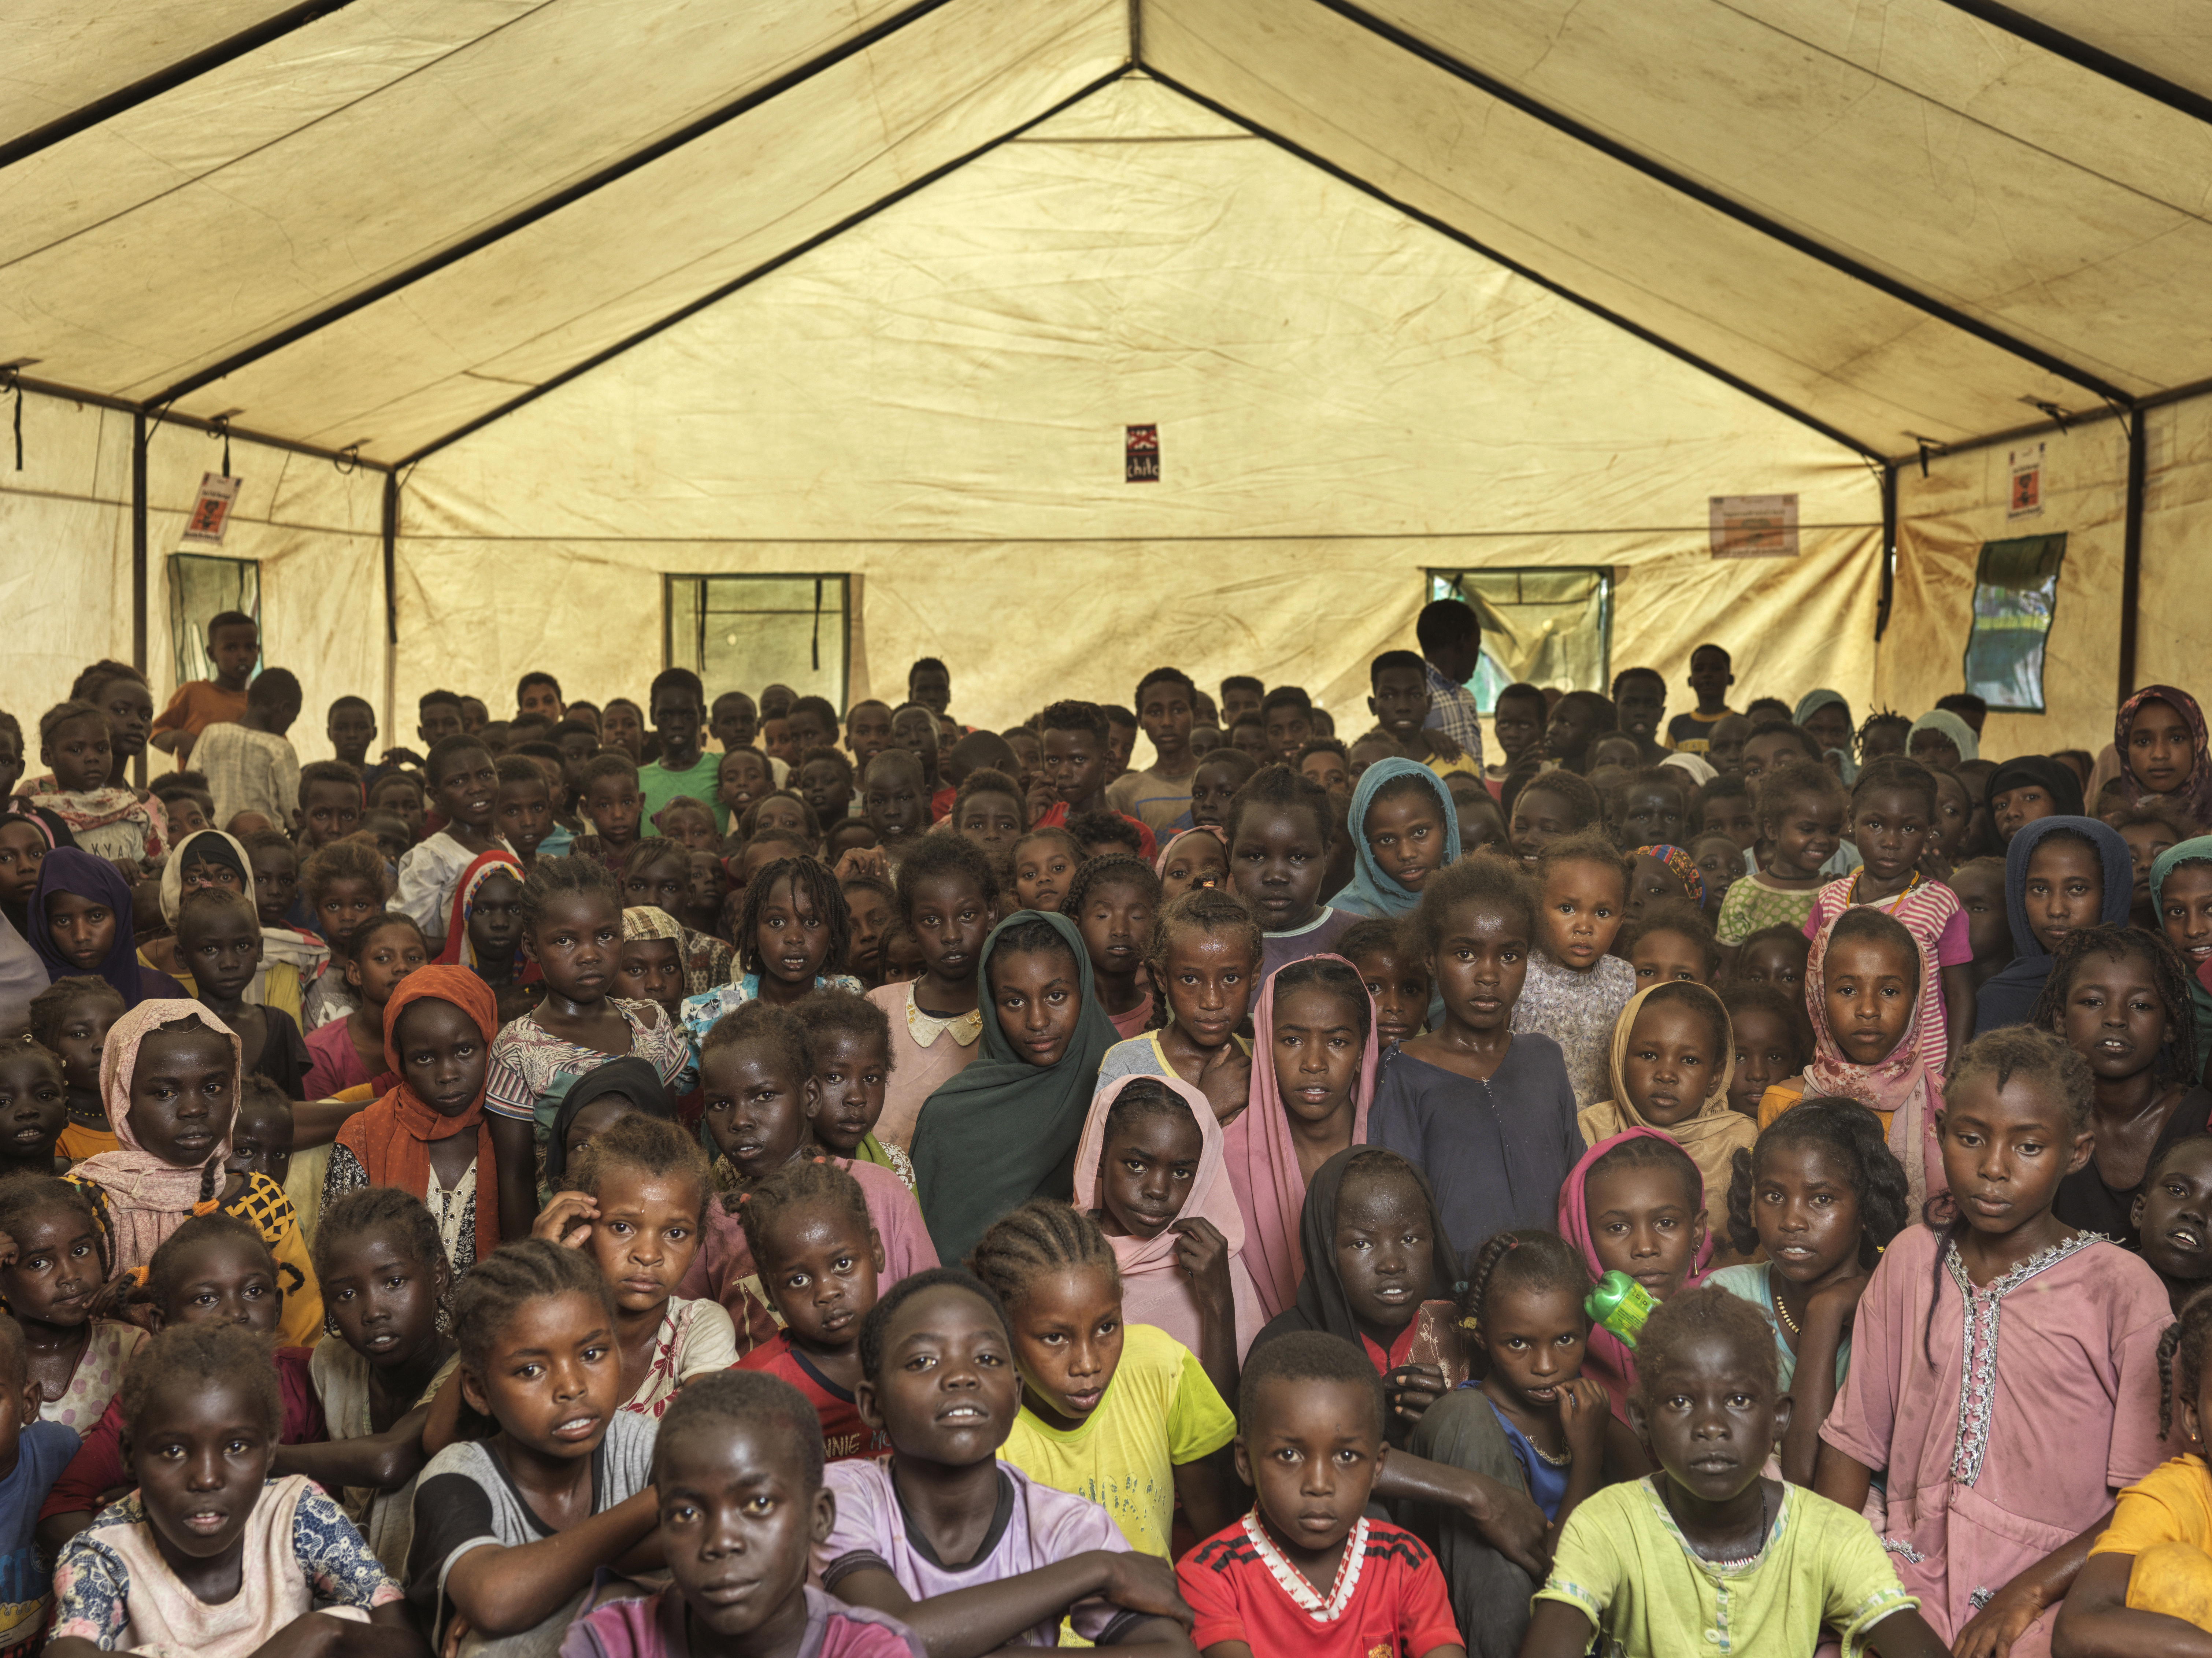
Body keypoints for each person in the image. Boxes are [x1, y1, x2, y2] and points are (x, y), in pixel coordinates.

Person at [1816, 1028, 2172, 1657]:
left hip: (2057, 1587)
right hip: (1909, 1569)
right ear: (1939, 1130)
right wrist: (1838, 1583)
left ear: (2076, 1150)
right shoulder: (1909, 1259)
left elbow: (2149, 1498)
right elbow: (1852, 1442)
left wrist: (2028, 1594)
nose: (1992, 1167)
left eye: (2028, 1145)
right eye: (1970, 1137)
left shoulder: (2121, 1289)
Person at [1522, 1288, 1941, 1658]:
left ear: (1777, 1419)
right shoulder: (1608, 1525)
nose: (1711, 1426)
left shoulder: (1831, 1534)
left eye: (1739, 1399)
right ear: (1643, 1420)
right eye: (1681, 1401)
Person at [811, 1268, 1193, 1651]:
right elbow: (892, 1639)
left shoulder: (1068, 1525)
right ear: (872, 1404)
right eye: (923, 1361)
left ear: (1014, 1394)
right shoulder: (843, 1496)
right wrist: (1097, 1570)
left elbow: (1173, 1651)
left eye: (988, 1357)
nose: (961, 1376)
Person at [45, 1323, 412, 1658]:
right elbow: (65, 1652)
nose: (207, 1478)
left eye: (236, 1447)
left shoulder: (296, 1513)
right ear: (130, 1455)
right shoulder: (107, 1552)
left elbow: (407, 1640)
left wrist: (328, 1630)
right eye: (174, 1451)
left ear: (270, 1448)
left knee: (351, 1621)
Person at [405, 1240, 659, 1658]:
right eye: (531, 1369)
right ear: (478, 1389)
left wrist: (551, 1582)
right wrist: (663, 1498)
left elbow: (731, 1527)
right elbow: (496, 1601)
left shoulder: (638, 1442)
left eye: (592, 1353)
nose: (572, 1386)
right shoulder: (459, 1475)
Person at [563, 1369, 931, 1658]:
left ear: (819, 1517)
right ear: (663, 1525)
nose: (722, 1541)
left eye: (758, 1504)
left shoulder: (875, 1649)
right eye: (688, 1512)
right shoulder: (611, 1642)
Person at [972, 1198, 1238, 1558]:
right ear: (1001, 1331)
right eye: (1055, 1337)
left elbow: (1215, 1532)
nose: (1088, 1363)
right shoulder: (985, 1435)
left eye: (1107, 1327)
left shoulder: (1161, 1366)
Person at [1180, 1330, 1464, 1658]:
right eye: (1289, 1455)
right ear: (1244, 1462)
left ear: (1377, 1466)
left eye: (1346, 1457)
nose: (1319, 1484)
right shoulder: (1209, 1576)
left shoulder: (1406, 1562)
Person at [66, 1000, 322, 1347]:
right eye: (165, 1093)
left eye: (213, 1088)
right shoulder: (79, 1203)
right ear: (123, 1098)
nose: (194, 1109)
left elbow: (298, 1333)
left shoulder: (261, 1200)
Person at [1369, 857, 1581, 1260]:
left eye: (1509, 955)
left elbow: (1577, 1188)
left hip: (1554, 1288)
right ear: (1431, 959)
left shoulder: (1544, 1058)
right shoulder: (1405, 1069)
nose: (1488, 974)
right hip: (1457, 1293)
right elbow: (1400, 1209)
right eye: (1465, 953)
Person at [485, 858, 693, 1242]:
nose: (590, 954)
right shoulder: (517, 1047)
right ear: (531, 945)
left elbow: (672, 1139)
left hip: (654, 1234)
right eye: (566, 940)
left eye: (606, 936)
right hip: (570, 1243)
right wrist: (529, 1263)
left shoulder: (650, 1022)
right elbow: (513, 1176)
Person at [1708, 1096, 1907, 1483]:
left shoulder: (1894, 1315)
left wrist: (1826, 1312)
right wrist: (1825, 1314)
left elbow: (1815, 1487)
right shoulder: (1728, 1299)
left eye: (1822, 1199)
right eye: (1774, 1196)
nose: (1793, 1220)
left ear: (1865, 1210)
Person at [910, 912, 1120, 1266]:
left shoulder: (1121, 1090)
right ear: (991, 1007)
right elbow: (926, 1260)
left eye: (1056, 996)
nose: (1037, 1021)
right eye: (1014, 1002)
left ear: (1084, 991)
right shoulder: (949, 1117)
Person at [298, 1187, 460, 1576]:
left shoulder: (466, 1371)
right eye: (347, 1294)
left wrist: (259, 1457)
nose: (373, 1311)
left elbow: (390, 1460)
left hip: (434, 1585)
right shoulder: (332, 1361)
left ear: (437, 1276)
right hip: (356, 1583)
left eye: (394, 1282)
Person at [1074, 1074, 1263, 1399]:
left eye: (1180, 1172)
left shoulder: (1213, 1263)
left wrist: (1218, 1302)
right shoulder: (1061, 1251)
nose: (1158, 1190)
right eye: (1136, 1164)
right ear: (1101, 1157)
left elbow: (1225, 1424)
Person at [535, 1113, 735, 1418]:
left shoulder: (697, 1326)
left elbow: (707, 1434)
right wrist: (532, 1279)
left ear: (697, 1245)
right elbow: (437, 1436)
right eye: (621, 1228)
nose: (647, 1254)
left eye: (675, 1233)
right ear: (581, 1229)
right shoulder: (541, 1320)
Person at [1760, 907, 1946, 1214]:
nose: (1868, 1009)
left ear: (1917, 997)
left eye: (1889, 991)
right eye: (1847, 990)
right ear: (1819, 994)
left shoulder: (1946, 1105)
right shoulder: (1784, 1103)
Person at [2036, 925, 2212, 1248]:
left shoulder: (2201, 1118)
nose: (2115, 1018)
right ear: (2060, 1020)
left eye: (2141, 1006)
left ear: (2169, 1026)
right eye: (2092, 1001)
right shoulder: (2040, 1120)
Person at [326, 965, 506, 1276]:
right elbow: (337, 1263)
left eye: (465, 1051)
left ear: (489, 1042)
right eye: (423, 1058)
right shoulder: (364, 1136)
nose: (447, 1075)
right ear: (401, 1060)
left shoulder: (511, 1129)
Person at [1805, 755, 1972, 1066]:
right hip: (1841, 1064)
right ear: (1851, 820)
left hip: (1923, 1067)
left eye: (1909, 828)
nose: (1891, 842)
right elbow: (1814, 990)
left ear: (1929, 830)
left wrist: (1952, 1071)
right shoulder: (1829, 898)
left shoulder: (1940, 903)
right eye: (1876, 824)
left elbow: (1961, 996)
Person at [1557, 1129, 1712, 1420]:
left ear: (1697, 1231)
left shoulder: (1731, 1304)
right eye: (1617, 1228)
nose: (1645, 1248)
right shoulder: (1566, 1329)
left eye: (1665, 1223)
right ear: (1583, 1237)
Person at [1577, 983, 1752, 1229]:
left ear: (1715, 1077)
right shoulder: (1589, 1130)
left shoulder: (1741, 1140)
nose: (1666, 1074)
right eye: (1648, 1055)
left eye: (1689, 1060)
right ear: (1620, 1059)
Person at [865, 837, 992, 1150]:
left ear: (992, 913)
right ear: (910, 927)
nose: (951, 935)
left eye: (966, 916)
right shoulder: (879, 1007)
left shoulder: (1011, 1008)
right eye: (931, 920)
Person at [1511, 830, 1637, 1109]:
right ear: (1537, 906)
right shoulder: (1519, 973)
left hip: (1599, 1132)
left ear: (1621, 919)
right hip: (1529, 1122)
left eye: (1602, 913)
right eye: (1567, 908)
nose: (1584, 927)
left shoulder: (1623, 979)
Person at [1977, 816, 2133, 1033]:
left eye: (2077, 889)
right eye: (2040, 889)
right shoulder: (2000, 997)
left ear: (2110, 894)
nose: (2056, 910)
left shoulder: (2143, 989)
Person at [1223, 766, 1357, 978]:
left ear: (1326, 857)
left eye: (1298, 858)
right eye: (1256, 857)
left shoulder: (1357, 940)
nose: (1276, 876)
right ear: (1230, 855)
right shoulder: (1210, 945)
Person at [395, 736, 516, 951]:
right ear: (435, 795)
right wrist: (470, 948)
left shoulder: (505, 846)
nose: (476, 788)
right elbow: (401, 934)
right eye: (458, 782)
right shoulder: (432, 857)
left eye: (486, 775)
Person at [24, 707, 167, 872]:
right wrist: (108, 871)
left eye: (102, 749)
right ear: (47, 756)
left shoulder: (128, 808)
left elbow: (161, 863)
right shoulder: (39, 815)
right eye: (77, 750)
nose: (92, 758)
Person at [303, 912, 427, 1099]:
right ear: (355, 973)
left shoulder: (445, 1036)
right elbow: (318, 1125)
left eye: (414, 958)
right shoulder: (322, 1052)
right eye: (383, 959)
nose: (402, 967)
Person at [1334, 757, 1460, 923]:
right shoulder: (1341, 921)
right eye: (1387, 840)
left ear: (1445, 826)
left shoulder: (1474, 903)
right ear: (1365, 845)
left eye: (1420, 832)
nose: (1407, 854)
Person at [1035, 703, 1155, 860]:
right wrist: (1025, 823)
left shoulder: (1137, 836)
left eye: (1079, 760)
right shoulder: (1040, 818)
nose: (1063, 773)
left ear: (1107, 761)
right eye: (1053, 760)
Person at [192, 667, 302, 830]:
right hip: (262, 846)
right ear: (284, 708)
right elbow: (294, 814)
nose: (287, 728)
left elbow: (190, 786)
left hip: (215, 838)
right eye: (292, 720)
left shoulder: (212, 734)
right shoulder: (281, 749)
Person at [146, 611, 259, 766]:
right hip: (197, 788)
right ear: (212, 654)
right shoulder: (192, 693)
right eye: (232, 648)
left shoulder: (259, 703)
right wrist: (178, 737)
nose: (242, 655)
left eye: (250, 648)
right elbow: (154, 733)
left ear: (258, 651)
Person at [1106, 667, 1201, 835]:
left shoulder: (1219, 779)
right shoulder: (1124, 792)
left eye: (1178, 710)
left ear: (1196, 715)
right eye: (1155, 712)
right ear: (1140, 720)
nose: (1167, 722)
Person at [1412, 599, 1486, 774]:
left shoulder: (1466, 697)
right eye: (1477, 645)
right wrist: (1422, 738)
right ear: (1463, 642)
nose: (1477, 655)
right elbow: (1396, 741)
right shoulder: (1416, 692)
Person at [1662, 644, 1735, 754]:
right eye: (1699, 669)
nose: (1707, 674)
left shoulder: (1743, 723)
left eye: (1716, 669)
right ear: (1690, 681)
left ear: (1730, 679)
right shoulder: (1678, 725)